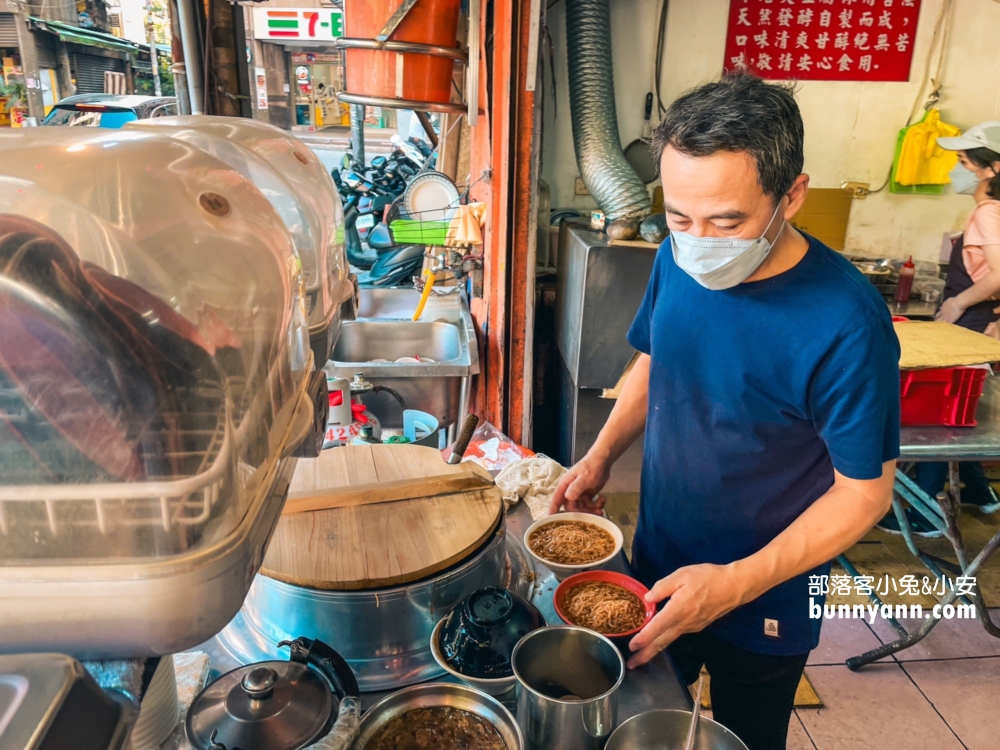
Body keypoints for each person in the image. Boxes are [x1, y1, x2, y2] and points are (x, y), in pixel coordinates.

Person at [548, 74, 899, 750]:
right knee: (643, 717)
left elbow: (864, 494)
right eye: (679, 217)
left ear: (791, 194)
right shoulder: (679, 258)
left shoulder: (847, 323)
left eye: (728, 222)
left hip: (768, 593)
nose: (699, 239)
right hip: (659, 556)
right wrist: (601, 453)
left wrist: (734, 584)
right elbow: (656, 360)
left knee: (748, 736)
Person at [881, 122, 1000, 536]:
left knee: (945, 416)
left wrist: (959, 303)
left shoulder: (988, 212)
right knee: (971, 413)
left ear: (992, 168)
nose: (957, 169)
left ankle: (924, 513)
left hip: (973, 322)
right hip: (985, 318)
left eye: (964, 161)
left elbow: (997, 275)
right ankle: (980, 493)